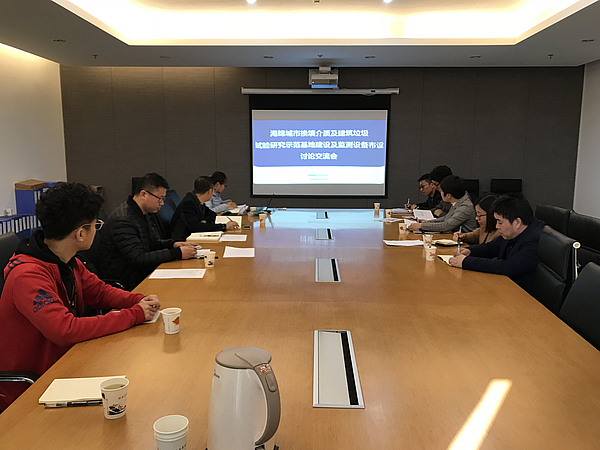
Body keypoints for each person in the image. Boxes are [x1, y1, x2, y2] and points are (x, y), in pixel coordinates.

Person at [0, 182, 161, 412]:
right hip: (31, 386)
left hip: (65, 364)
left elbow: (99, 292)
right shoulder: (27, 276)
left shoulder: (67, 260)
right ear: (81, 233)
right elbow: (64, 330)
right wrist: (134, 315)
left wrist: (137, 300)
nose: (97, 229)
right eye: (96, 224)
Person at [101, 173, 197, 290]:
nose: (162, 203)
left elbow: (152, 243)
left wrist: (173, 244)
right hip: (128, 280)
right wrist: (177, 253)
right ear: (143, 194)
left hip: (141, 272)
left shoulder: (143, 213)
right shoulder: (123, 220)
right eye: (160, 198)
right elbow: (138, 258)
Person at [449, 194, 545, 291]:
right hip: (506, 286)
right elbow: (492, 247)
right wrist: (470, 251)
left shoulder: (536, 239)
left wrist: (466, 262)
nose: (497, 226)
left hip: (520, 293)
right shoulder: (513, 232)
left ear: (517, 222)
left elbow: (509, 267)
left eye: (500, 222)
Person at [170, 176, 239, 241]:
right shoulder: (189, 203)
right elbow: (196, 227)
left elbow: (212, 214)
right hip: (182, 240)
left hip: (192, 236)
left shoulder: (198, 201)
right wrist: (224, 226)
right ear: (210, 191)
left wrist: (205, 221)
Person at [408, 175, 477, 233]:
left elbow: (446, 225)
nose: (440, 193)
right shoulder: (458, 201)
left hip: (465, 242)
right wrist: (429, 222)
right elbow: (446, 218)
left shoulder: (465, 207)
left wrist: (421, 226)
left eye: (441, 191)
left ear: (448, 195)